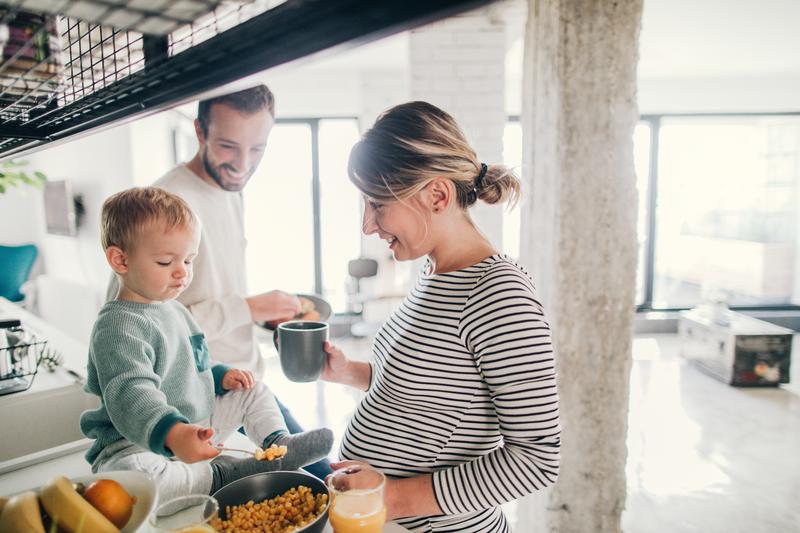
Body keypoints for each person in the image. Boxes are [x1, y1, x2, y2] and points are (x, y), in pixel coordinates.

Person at [322, 101, 561, 532]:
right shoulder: (434, 272)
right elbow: (431, 392)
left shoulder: (499, 294)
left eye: (377, 204)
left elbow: (537, 458)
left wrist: (391, 498)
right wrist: (349, 372)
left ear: (437, 195)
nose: (367, 225)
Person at [107, 84, 332, 478]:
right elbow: (136, 318)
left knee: (321, 479)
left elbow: (206, 292)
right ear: (200, 131)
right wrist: (247, 307)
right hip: (199, 404)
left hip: (241, 382)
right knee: (312, 485)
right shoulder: (167, 202)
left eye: (257, 148)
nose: (243, 163)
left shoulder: (229, 189)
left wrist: (261, 317)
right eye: (229, 146)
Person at [82, 187, 333, 501]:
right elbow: (131, 393)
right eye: (165, 262)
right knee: (138, 478)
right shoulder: (117, 327)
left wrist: (220, 375)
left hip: (193, 423)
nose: (182, 273)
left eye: (189, 260)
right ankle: (222, 474)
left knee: (252, 389)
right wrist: (173, 434)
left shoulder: (172, 308)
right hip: (136, 443)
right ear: (120, 260)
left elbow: (193, 362)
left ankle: (277, 444)